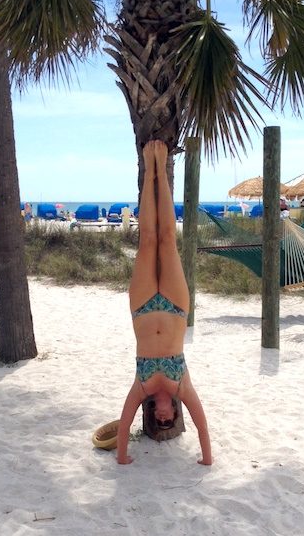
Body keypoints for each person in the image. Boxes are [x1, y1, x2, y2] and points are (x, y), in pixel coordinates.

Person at [116, 141, 212, 466]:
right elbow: (201, 423)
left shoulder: (141, 388)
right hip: (175, 307)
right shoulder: (182, 386)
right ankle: (162, 172)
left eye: (159, 420)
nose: (162, 416)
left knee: (147, 240)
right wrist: (207, 458)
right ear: (174, 410)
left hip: (142, 308)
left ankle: (151, 170)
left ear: (154, 413)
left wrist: (122, 456)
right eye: (168, 418)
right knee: (168, 239)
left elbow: (125, 420)